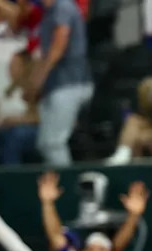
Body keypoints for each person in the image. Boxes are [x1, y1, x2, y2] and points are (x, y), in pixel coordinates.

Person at [26, 0, 93, 166]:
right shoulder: (48, 12)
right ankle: (54, 187)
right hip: (55, 86)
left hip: (70, 84)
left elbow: (58, 46)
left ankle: (66, 188)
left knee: (53, 144)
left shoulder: (63, 6)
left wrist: (37, 80)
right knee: (44, 144)